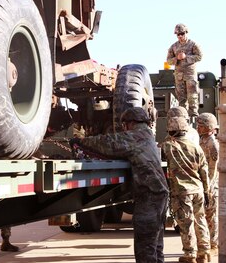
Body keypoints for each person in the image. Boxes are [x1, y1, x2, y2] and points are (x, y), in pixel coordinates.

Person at [70, 107, 169, 263]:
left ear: (129, 123)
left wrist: (80, 141)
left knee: (145, 248)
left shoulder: (135, 137)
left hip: (150, 197)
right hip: (159, 195)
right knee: (156, 245)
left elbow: (109, 143)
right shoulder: (147, 135)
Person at [163, 116, 210, 263]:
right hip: (198, 190)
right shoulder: (196, 147)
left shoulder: (168, 146)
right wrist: (207, 191)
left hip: (182, 192)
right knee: (200, 219)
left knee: (186, 223)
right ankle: (204, 253)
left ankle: (190, 255)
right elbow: (204, 171)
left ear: (171, 131)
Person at [166, 23, 203, 119]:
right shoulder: (173, 47)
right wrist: (177, 59)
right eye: (178, 34)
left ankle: (194, 115)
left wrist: (186, 57)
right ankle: (183, 116)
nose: (180, 36)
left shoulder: (193, 44)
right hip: (179, 75)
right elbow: (169, 60)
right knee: (181, 97)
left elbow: (199, 56)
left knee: (192, 96)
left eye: (182, 33)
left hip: (190, 74)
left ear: (186, 33)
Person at [196, 112, 220, 255]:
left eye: (201, 126)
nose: (198, 128)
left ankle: (214, 243)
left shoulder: (212, 144)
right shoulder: (202, 140)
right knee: (205, 215)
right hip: (203, 183)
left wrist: (208, 188)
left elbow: (213, 169)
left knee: (211, 215)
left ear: (207, 127)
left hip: (211, 186)